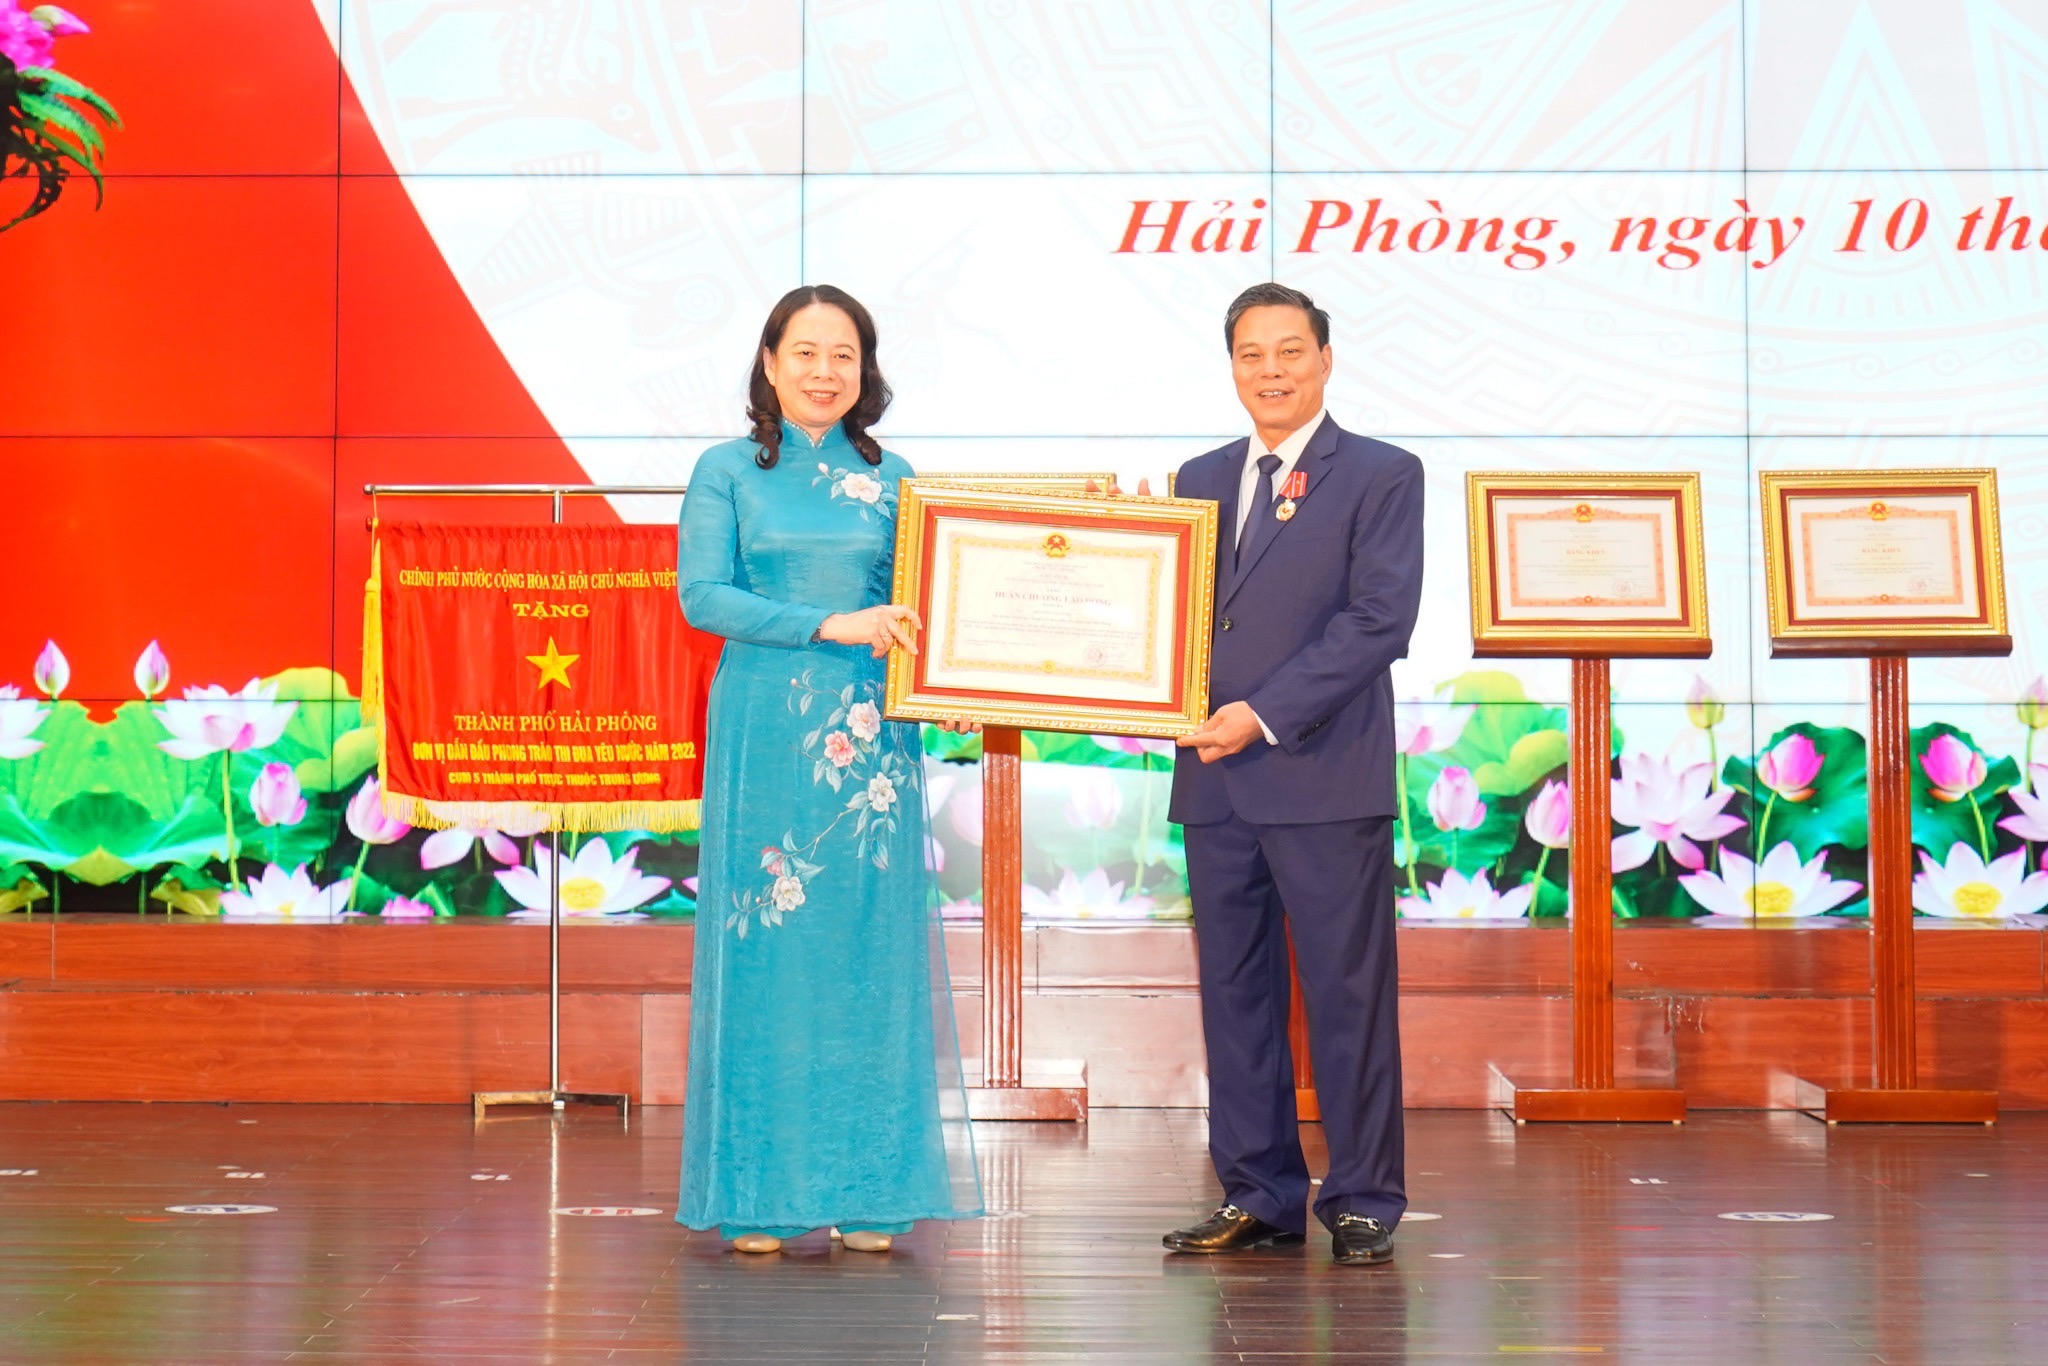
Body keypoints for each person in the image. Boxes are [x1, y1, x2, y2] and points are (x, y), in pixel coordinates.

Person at [676, 284, 981, 1254]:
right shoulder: (726, 470)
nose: (823, 371)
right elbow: (701, 597)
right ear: (769, 364)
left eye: (842, 354)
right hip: (763, 729)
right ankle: (759, 1193)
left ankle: (870, 1187)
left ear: (865, 369)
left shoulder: (897, 478)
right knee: (767, 950)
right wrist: (827, 623)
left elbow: (924, 609)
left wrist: (957, 676)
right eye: (803, 352)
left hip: (870, 738)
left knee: (864, 948)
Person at [1161, 282, 1424, 1267]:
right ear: (1230, 365)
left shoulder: (1382, 473)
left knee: (1347, 996)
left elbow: (1377, 620)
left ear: (1324, 359)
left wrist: (1262, 714)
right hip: (1214, 780)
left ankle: (1362, 1197)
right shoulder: (1197, 475)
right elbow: (1174, 616)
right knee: (1234, 998)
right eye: (1251, 354)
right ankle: (1258, 1192)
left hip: (1319, 773)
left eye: (1289, 352)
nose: (1270, 371)